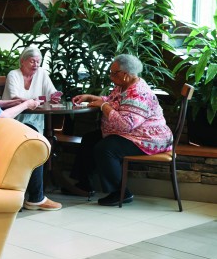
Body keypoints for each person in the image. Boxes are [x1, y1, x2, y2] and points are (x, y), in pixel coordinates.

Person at [70, 54, 173, 206]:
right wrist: (91, 97)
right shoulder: (124, 85)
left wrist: (103, 106)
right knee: (90, 139)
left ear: (125, 75)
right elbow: (113, 101)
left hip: (148, 138)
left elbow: (125, 125)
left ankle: (121, 192)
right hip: (131, 134)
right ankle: (84, 185)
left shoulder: (138, 94)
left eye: (113, 73)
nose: (110, 76)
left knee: (105, 148)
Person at [2, 45, 63, 211]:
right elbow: (15, 98)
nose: (36, 65)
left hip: (35, 122)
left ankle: (35, 196)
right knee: (36, 144)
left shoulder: (42, 74)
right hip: (14, 121)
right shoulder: (13, 75)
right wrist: (33, 100)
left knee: (38, 143)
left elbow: (52, 93)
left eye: (39, 61)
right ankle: (36, 197)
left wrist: (55, 97)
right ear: (22, 62)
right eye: (32, 61)